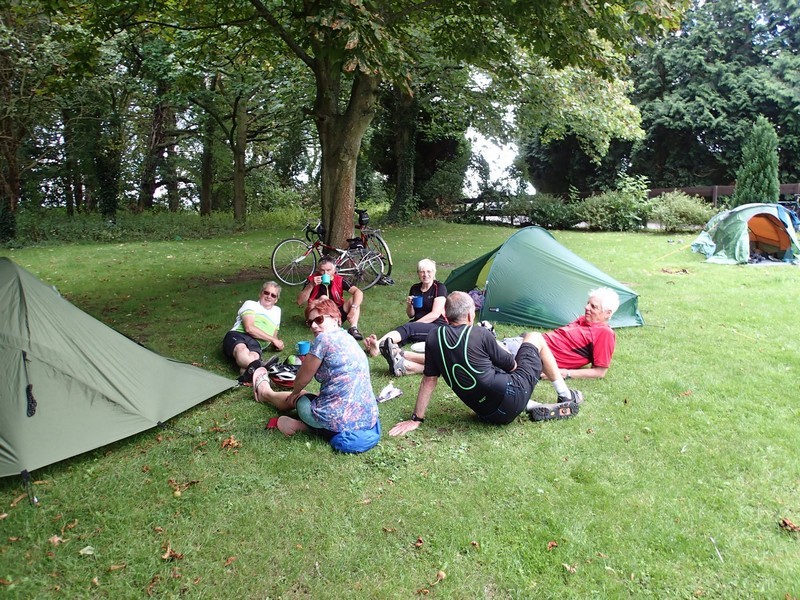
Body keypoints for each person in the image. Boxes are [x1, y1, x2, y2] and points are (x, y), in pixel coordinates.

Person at [389, 292, 583, 436]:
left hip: (486, 415)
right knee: (534, 337)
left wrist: (416, 419)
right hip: (512, 397)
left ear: (446, 317)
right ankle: (565, 396)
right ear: (471, 316)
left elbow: (428, 381)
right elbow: (513, 367)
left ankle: (533, 406)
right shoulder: (480, 334)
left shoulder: (433, 337)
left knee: (491, 376)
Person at [391, 287, 620, 380]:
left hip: (529, 356)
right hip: (522, 344)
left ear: (608, 313)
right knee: (470, 357)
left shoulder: (604, 334)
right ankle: (407, 361)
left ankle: (407, 358)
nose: (586, 309)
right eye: (588, 304)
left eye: (593, 307)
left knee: (469, 356)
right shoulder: (584, 321)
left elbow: (600, 372)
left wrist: (563, 373)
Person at [251, 298, 380, 450]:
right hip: (365, 418)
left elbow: (302, 379)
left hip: (336, 420)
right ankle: (312, 428)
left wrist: (295, 393)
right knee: (315, 398)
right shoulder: (348, 337)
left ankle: (265, 393)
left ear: (336, 318)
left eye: (319, 319)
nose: (313, 325)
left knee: (302, 397)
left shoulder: (323, 339)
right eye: (309, 322)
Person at [363, 258, 447, 375]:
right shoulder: (415, 288)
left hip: (437, 325)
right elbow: (411, 314)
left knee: (408, 328)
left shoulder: (439, 288)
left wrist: (414, 324)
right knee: (403, 337)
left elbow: (435, 314)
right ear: (418, 273)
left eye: (429, 271)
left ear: (434, 273)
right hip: (419, 325)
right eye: (422, 272)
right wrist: (409, 305)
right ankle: (378, 349)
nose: (425, 275)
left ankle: (378, 344)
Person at [222, 281, 284, 376]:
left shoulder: (277, 311)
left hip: (256, 344)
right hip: (239, 335)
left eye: (273, 295)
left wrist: (277, 344)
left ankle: (247, 372)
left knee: (253, 358)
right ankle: (262, 367)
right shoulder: (250, 304)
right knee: (242, 350)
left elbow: (274, 335)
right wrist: (273, 340)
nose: (269, 296)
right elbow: (249, 328)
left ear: (276, 300)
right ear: (260, 294)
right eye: (266, 293)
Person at [297, 256, 364, 340]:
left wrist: (353, 308)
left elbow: (358, 292)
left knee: (354, 300)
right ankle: (324, 326)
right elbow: (300, 301)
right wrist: (311, 285)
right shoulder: (312, 279)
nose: (325, 273)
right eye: (322, 270)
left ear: (334, 270)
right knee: (324, 297)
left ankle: (354, 328)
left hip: (336, 313)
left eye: (328, 270)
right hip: (317, 315)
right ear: (318, 269)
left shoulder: (339, 280)